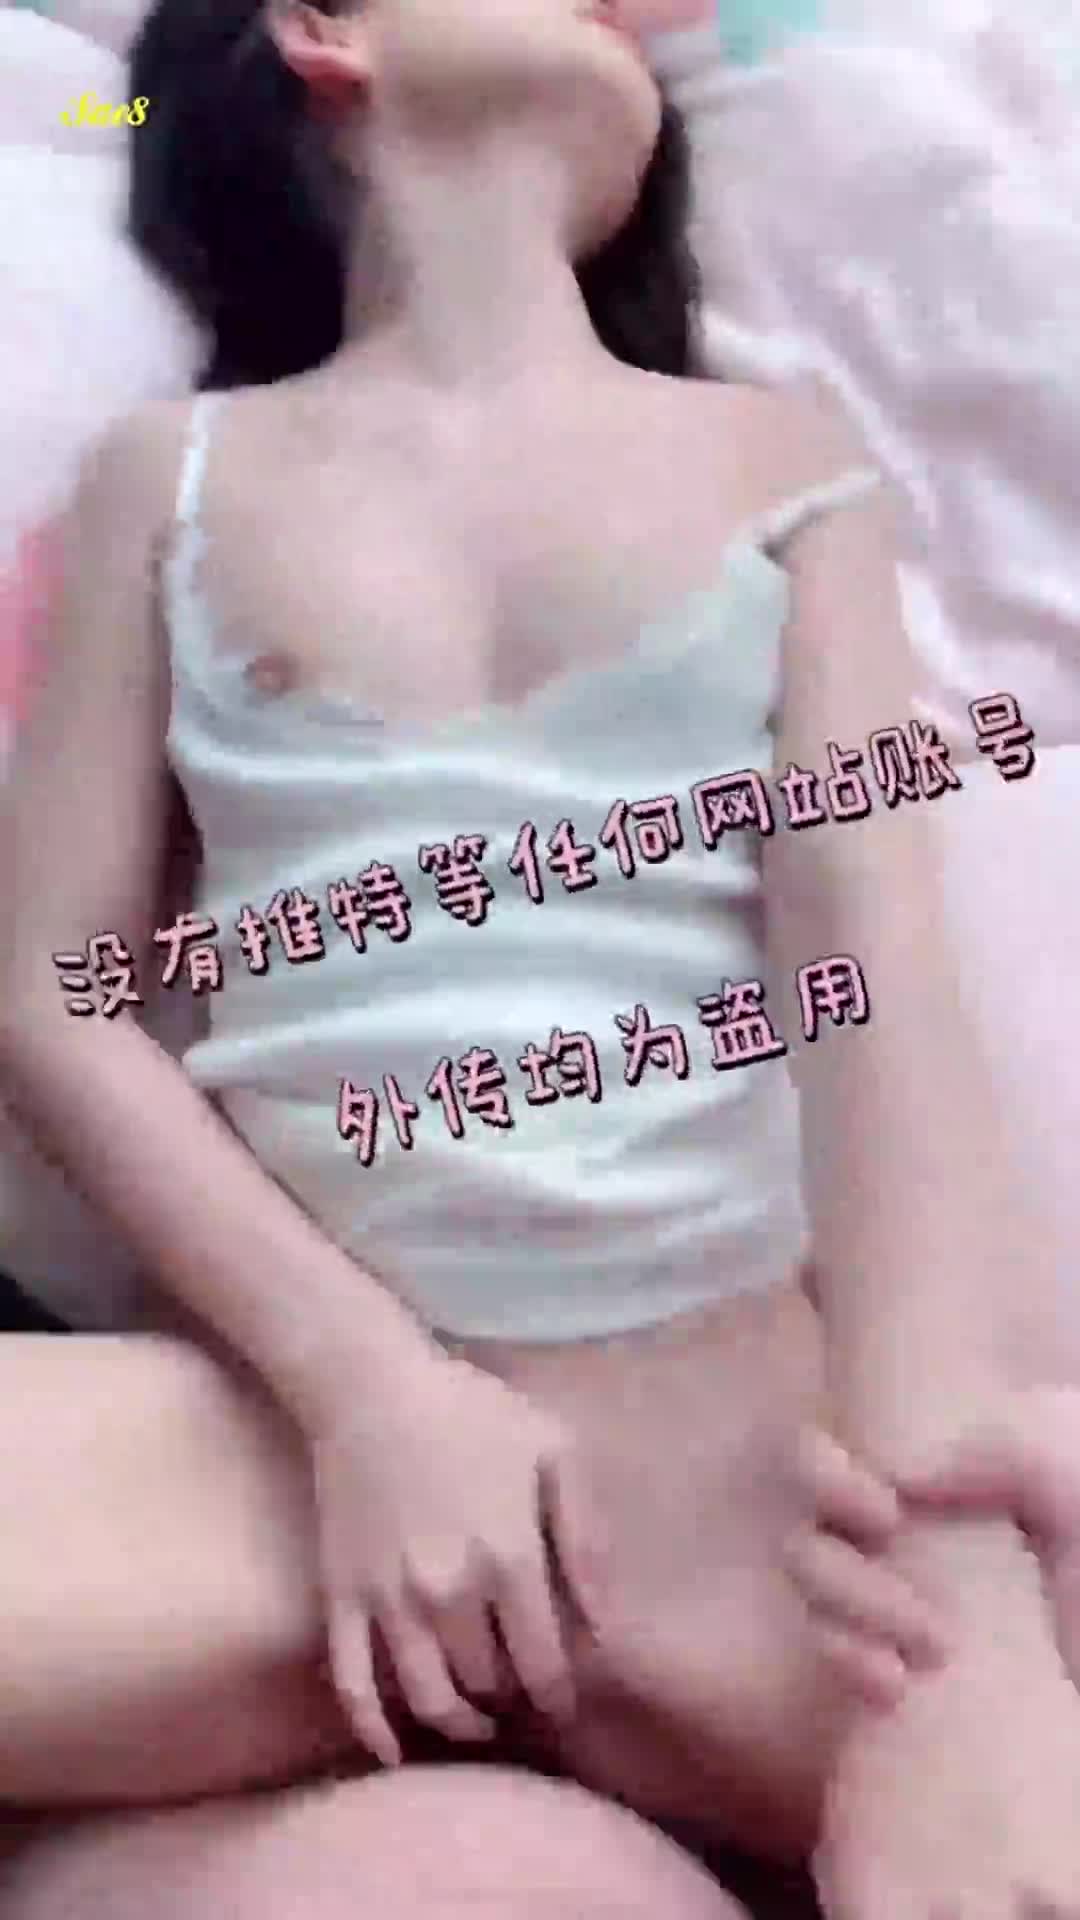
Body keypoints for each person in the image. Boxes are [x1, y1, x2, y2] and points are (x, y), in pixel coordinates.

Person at [5, 2, 1080, 1916]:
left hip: (741, 1477)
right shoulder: (169, 473)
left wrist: (971, 1598)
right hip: (298, 1447)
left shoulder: (779, 457)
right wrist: (370, 1395)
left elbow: (876, 987)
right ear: (323, 33)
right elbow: (54, 1002)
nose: (619, 13)